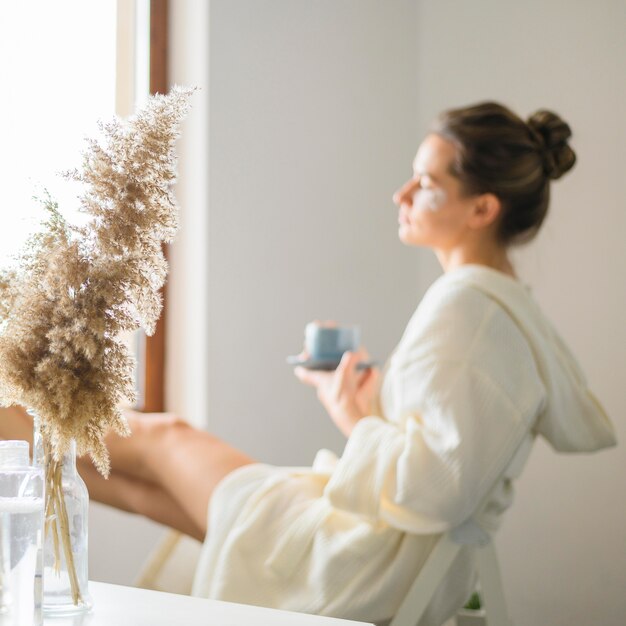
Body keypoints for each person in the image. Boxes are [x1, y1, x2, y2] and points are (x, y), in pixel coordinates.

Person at [0, 102, 616, 625]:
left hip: (370, 557)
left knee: (163, 440)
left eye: (425, 184)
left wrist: (355, 417)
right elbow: (450, 452)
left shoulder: (466, 307)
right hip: (394, 549)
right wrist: (377, 404)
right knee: (135, 485)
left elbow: (436, 491)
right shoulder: (505, 314)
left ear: (482, 209)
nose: (400, 195)